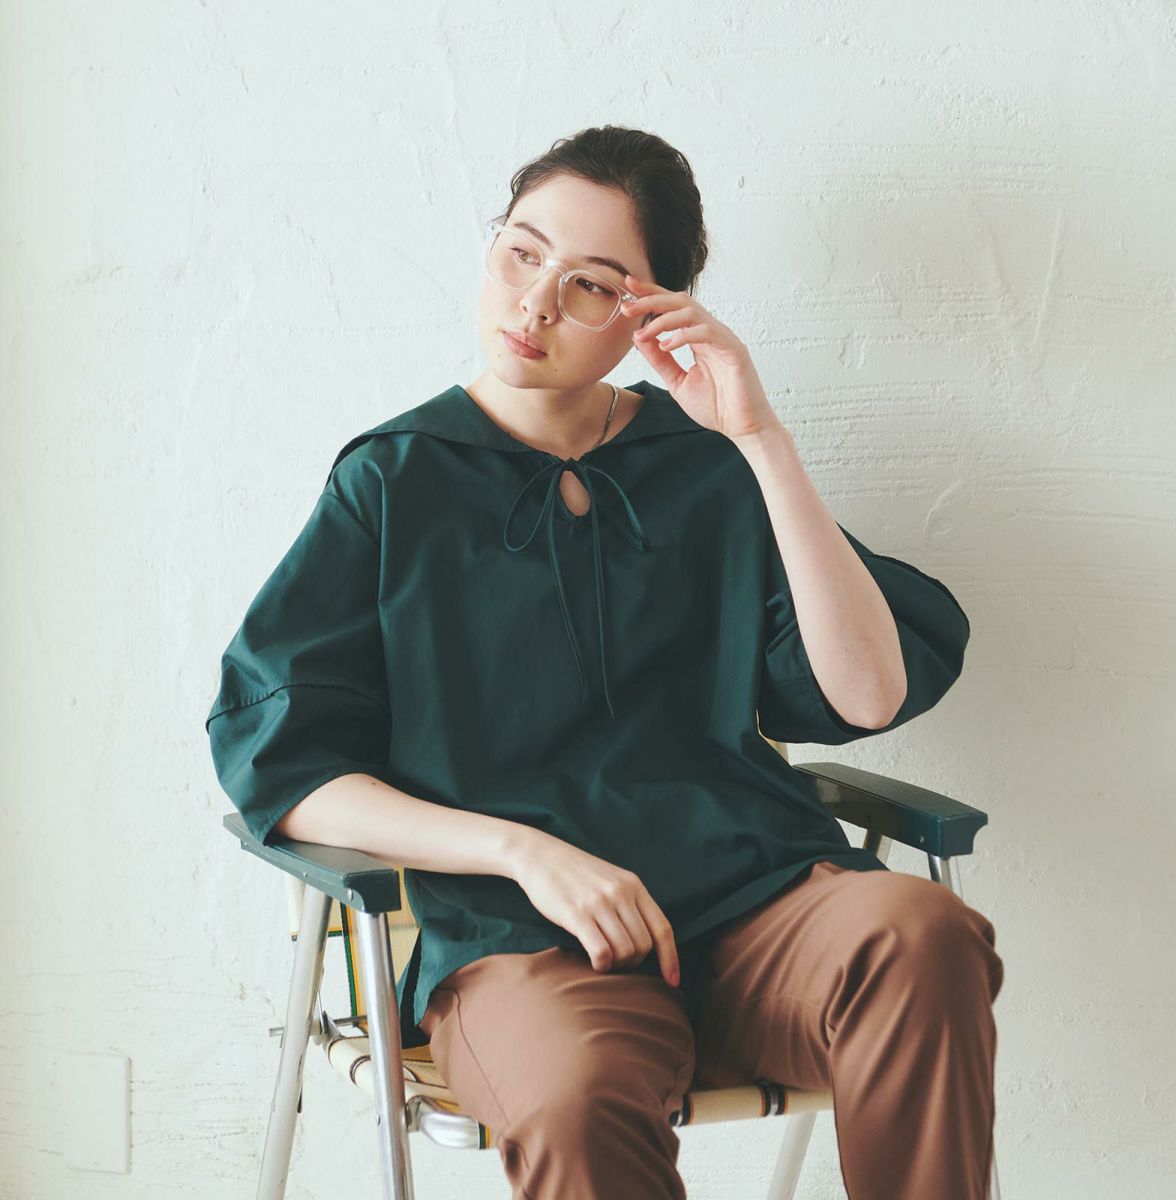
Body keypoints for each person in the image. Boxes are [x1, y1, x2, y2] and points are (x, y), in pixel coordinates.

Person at [206, 124, 1003, 1200]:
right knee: (575, 1095)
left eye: (589, 284)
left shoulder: (706, 466)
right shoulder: (393, 483)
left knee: (921, 934)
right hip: (522, 945)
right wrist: (522, 852)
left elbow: (869, 692)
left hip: (755, 905)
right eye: (521, 253)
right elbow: (286, 762)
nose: (534, 303)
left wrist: (759, 439)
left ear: (652, 312)